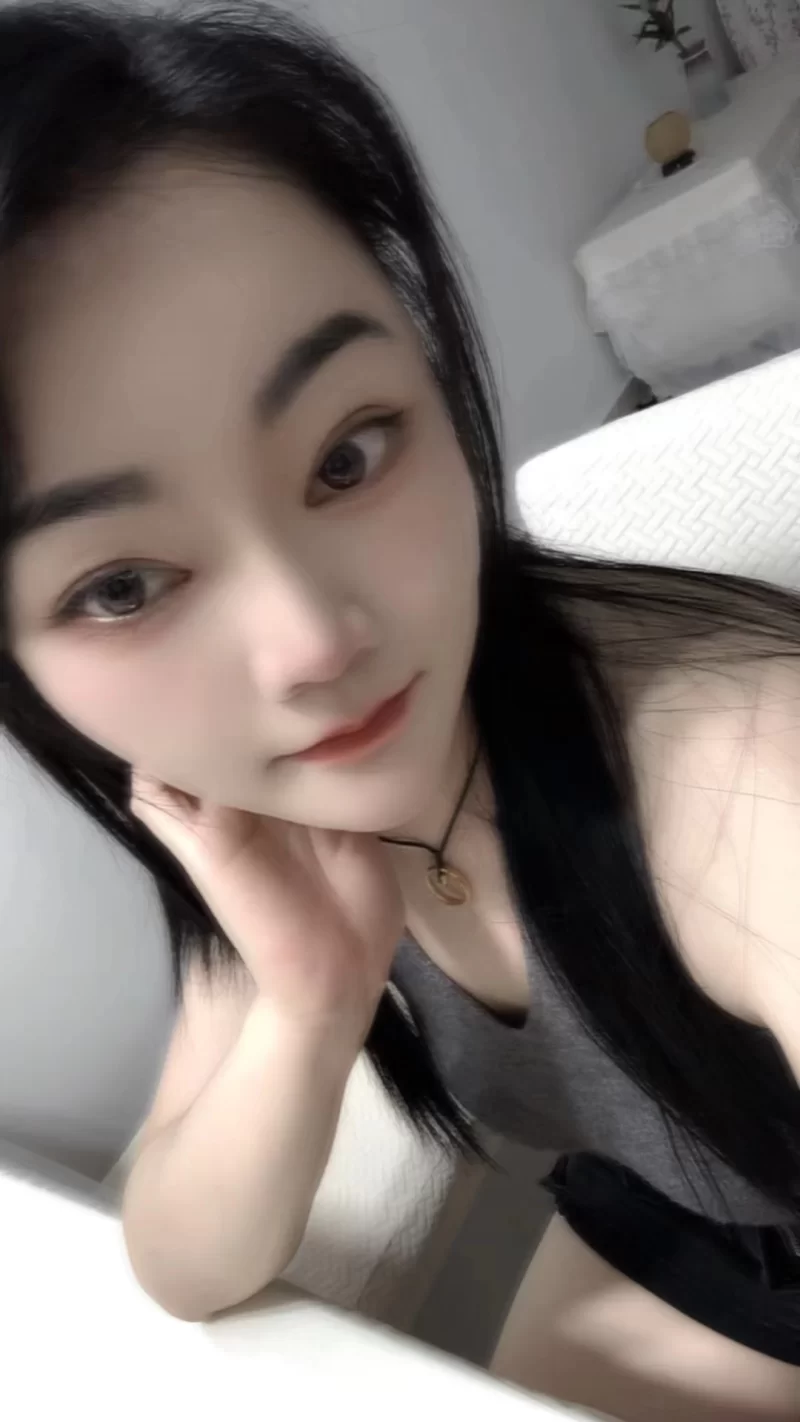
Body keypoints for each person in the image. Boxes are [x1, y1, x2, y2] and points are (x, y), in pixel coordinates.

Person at [1, 2, 799, 1417]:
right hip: (671, 1231)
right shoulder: (254, 826)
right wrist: (312, 1000)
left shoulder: (740, 777)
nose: (313, 640)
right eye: (121, 586)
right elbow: (184, 1265)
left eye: (348, 454)